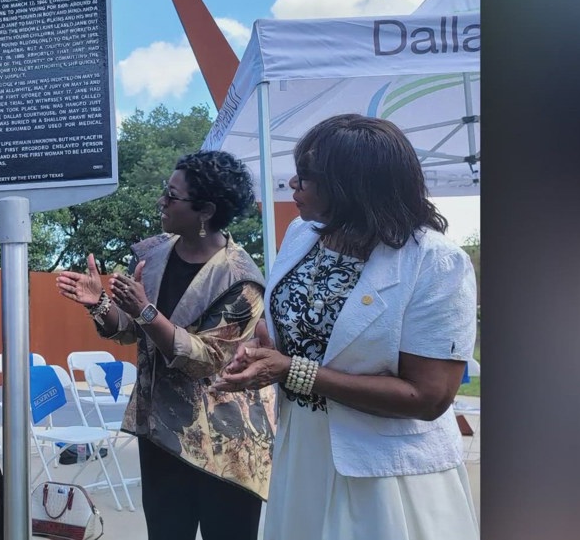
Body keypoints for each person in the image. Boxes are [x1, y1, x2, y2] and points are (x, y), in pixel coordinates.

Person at [218, 113, 479, 539]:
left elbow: (429, 396)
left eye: (307, 177)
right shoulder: (301, 234)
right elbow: (298, 323)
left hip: (385, 470)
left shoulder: (436, 263)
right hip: (304, 447)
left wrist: (291, 370)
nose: (293, 185)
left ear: (351, 186)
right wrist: (262, 346)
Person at [55, 150, 276, 540]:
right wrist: (101, 305)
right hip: (159, 430)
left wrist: (144, 311)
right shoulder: (155, 253)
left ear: (205, 210)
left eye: (172, 196)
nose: (162, 201)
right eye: (165, 191)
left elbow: (207, 360)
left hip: (223, 442)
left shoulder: (241, 280)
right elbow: (131, 329)